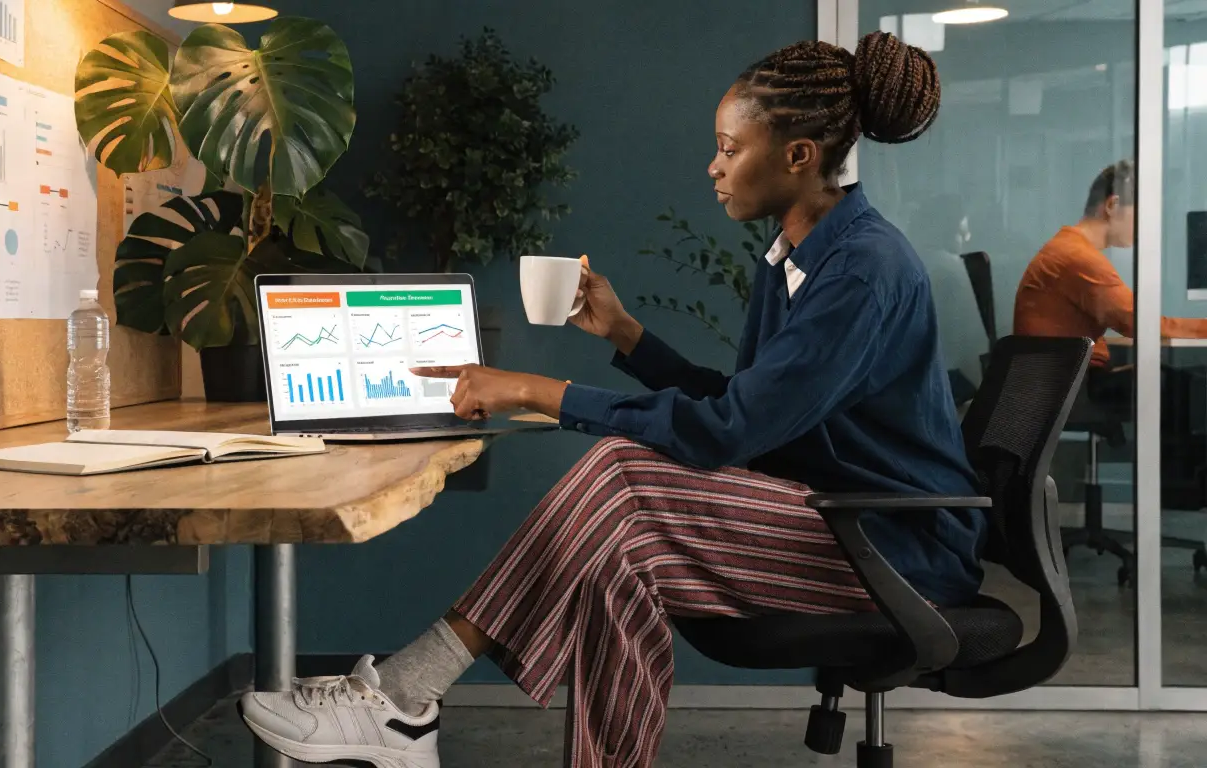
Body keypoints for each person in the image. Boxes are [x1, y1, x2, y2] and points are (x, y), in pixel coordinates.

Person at [238, 32, 979, 768]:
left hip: (893, 548)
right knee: (619, 562)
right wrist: (628, 337)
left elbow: (727, 433)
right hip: (828, 515)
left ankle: (405, 696)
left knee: (622, 476)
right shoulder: (795, 254)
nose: (713, 167)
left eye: (729, 148)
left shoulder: (862, 270)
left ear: (797, 156)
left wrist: (537, 390)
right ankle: (419, 714)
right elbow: (752, 412)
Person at [1014, 160, 1207, 372]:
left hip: (1064, 380)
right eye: (1143, 214)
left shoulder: (1067, 247)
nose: (1147, 226)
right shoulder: (1078, 257)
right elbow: (1138, 322)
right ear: (1112, 206)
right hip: (1072, 387)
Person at [909, 194, 990, 401]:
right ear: (946, 230)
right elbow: (972, 346)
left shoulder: (906, 261)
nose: (968, 237)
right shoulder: (951, 268)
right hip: (943, 386)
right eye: (962, 231)